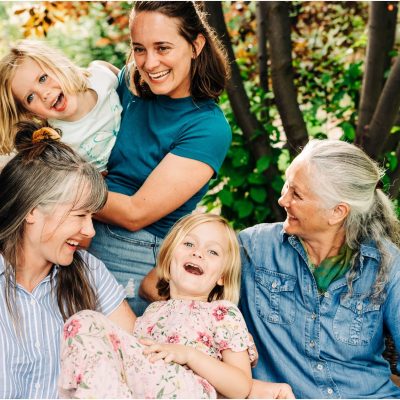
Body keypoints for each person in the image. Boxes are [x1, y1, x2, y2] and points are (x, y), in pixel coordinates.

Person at [88, 1, 232, 316]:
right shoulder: (129, 82)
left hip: (130, 252)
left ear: (195, 45)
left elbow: (134, 213)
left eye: (162, 48)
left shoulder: (208, 128)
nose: (150, 63)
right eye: (139, 49)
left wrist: (59, 189)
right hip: (80, 231)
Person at [239, 139, 400, 399]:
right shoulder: (253, 249)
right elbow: (173, 284)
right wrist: (229, 329)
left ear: (337, 212)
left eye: (296, 194)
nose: (282, 200)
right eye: (286, 186)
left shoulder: (388, 265)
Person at [0, 121, 136, 399]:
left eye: (92, 216)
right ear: (32, 211)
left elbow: (137, 357)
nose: (89, 231)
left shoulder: (89, 270)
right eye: (79, 216)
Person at [58, 213, 255, 398]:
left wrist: (189, 355)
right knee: (84, 322)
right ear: (168, 262)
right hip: (142, 389)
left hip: (188, 390)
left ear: (222, 276)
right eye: (188, 244)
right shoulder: (152, 312)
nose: (198, 253)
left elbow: (241, 387)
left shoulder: (223, 313)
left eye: (212, 251)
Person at [0, 39, 122, 172]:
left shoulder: (101, 76)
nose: (43, 94)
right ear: (32, 113)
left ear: (58, 65)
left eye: (43, 78)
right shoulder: (56, 142)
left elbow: (130, 82)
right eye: (30, 97)